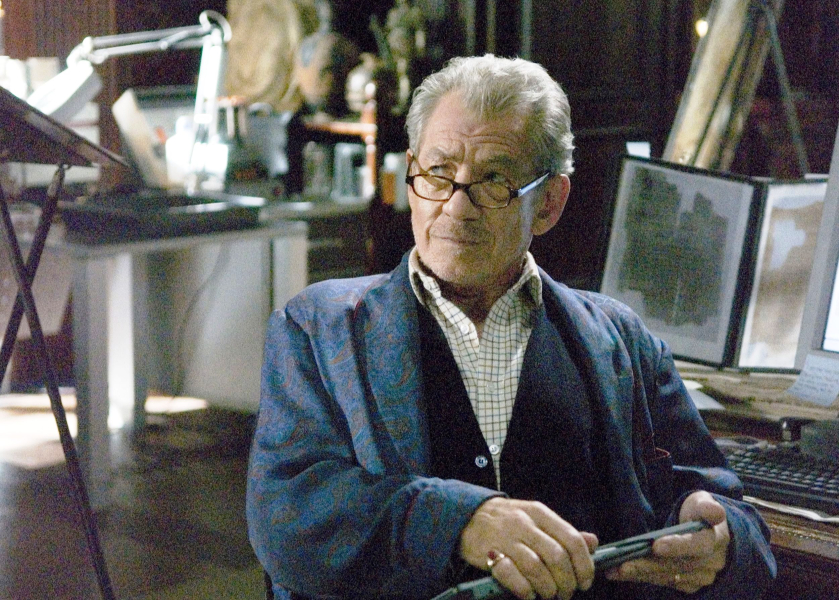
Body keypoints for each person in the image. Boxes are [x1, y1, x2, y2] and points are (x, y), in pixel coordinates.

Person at [247, 54, 776, 600]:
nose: (457, 207)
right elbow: (286, 515)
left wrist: (721, 541)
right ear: (410, 174)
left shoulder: (621, 341)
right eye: (438, 173)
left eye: (494, 180)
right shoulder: (320, 329)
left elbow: (729, 512)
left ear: (549, 203)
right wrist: (462, 522)